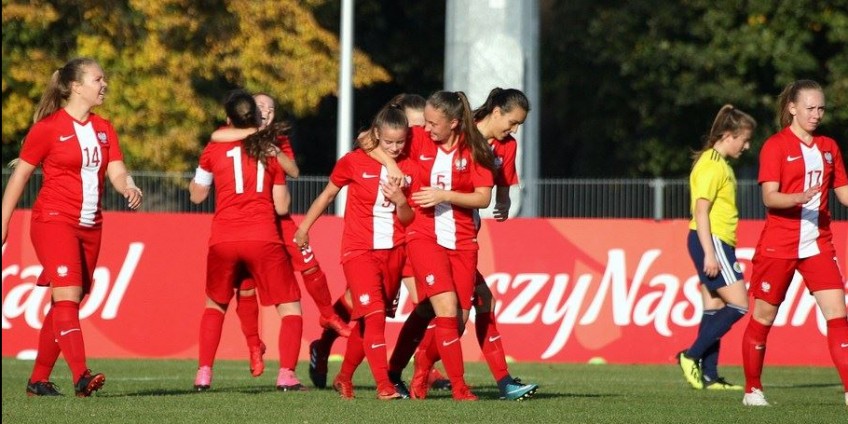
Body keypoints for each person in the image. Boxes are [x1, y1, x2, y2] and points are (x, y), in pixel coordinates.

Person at [1, 58, 143, 397]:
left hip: (91, 225)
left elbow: (117, 169)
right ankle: (81, 376)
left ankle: (38, 381)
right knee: (67, 296)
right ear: (76, 87)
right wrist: (4, 221)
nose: (104, 84)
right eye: (98, 79)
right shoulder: (48, 128)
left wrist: (129, 186)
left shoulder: (105, 128)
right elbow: (21, 174)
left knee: (68, 301)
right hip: (53, 221)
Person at [307, 93, 452, 391]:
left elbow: (411, 204)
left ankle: (406, 367)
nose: (417, 133)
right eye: (414, 125)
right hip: (373, 245)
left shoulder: (416, 157)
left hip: (407, 241)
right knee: (381, 310)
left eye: (420, 126)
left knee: (412, 306)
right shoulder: (373, 154)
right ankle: (389, 377)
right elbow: (365, 140)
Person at [401, 88, 539, 401]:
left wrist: (503, 200)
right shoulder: (458, 129)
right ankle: (500, 381)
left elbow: (500, 188)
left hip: (463, 238)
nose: (514, 129)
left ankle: (416, 367)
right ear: (497, 111)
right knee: (456, 310)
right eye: (513, 121)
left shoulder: (506, 147)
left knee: (447, 313)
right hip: (428, 232)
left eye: (519, 125)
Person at [209, 93, 351, 379]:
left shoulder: (277, 141)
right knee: (245, 287)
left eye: (271, 109)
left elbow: (293, 174)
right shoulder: (231, 135)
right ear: (250, 111)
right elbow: (216, 136)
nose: (267, 112)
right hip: (250, 225)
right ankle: (253, 345)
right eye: (261, 107)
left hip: (277, 221)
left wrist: (275, 151)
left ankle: (328, 314)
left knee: (308, 259)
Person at [294, 103, 414, 400]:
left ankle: (344, 377)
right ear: (377, 135)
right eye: (389, 142)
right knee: (373, 317)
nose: (396, 148)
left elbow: (409, 219)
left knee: (368, 321)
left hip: (395, 253)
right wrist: (304, 227)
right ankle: (384, 385)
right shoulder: (353, 162)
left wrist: (400, 201)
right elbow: (328, 194)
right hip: (359, 250)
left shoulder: (410, 166)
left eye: (401, 141)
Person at [189, 89, 306, 392]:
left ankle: (204, 373)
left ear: (228, 119)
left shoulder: (213, 149)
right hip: (263, 236)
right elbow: (281, 206)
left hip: (224, 237)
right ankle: (287, 375)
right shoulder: (268, 149)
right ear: (254, 117)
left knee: (215, 305)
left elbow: (197, 194)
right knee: (290, 307)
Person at [740, 80, 848, 407]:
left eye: (821, 108)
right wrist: (797, 197)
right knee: (763, 316)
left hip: (818, 244)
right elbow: (769, 197)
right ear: (792, 108)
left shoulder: (829, 147)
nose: (816, 114)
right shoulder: (776, 146)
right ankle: (752, 390)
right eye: (810, 108)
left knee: (838, 314)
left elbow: (843, 192)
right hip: (779, 245)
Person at [676, 104, 755, 391]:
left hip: (714, 240)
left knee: (715, 305)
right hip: (712, 240)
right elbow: (701, 211)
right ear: (728, 135)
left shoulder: (720, 163)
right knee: (738, 305)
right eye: (744, 139)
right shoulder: (711, 164)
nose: (746, 146)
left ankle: (709, 376)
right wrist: (710, 252)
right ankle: (690, 355)